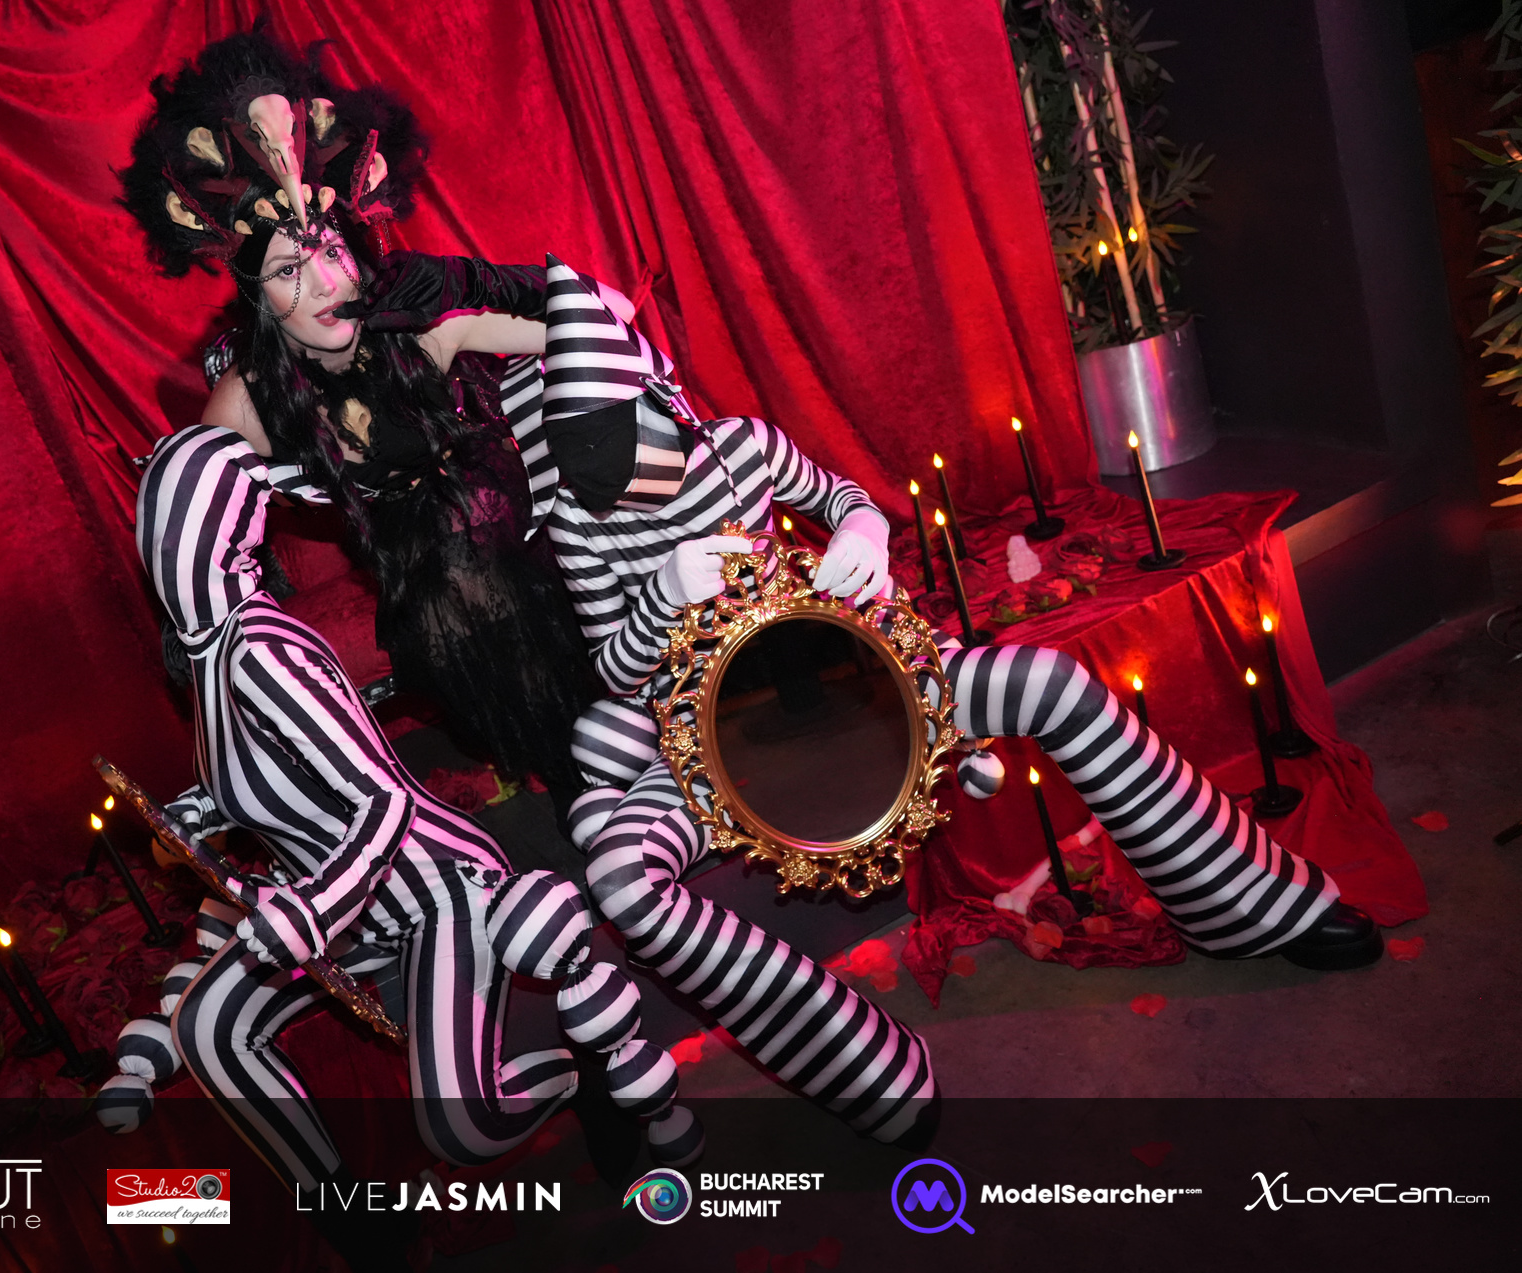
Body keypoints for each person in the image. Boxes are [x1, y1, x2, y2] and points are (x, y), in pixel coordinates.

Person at [509, 258, 1384, 1142]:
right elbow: (615, 670)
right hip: (704, 741)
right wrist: (660, 597)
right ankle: (860, 1063)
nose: (619, 490)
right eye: (593, 473)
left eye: (627, 460)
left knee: (1050, 684)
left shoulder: (743, 447)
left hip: (851, 683)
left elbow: (846, 498)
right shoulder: (580, 523)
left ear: (657, 407)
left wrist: (861, 530)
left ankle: (1243, 904)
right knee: (622, 879)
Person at [94, 424, 699, 1271]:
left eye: (173, 524)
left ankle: (583, 1076)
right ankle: (359, 1225)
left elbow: (381, 801)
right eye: (153, 526)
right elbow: (260, 783)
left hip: (434, 890)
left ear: (217, 534)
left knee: (464, 1128)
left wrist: (312, 908)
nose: (160, 549)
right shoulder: (208, 661)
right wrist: (191, 816)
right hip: (344, 904)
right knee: (209, 1021)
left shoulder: (261, 651)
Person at [116, 24, 618, 814]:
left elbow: (599, 316)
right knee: (455, 592)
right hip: (428, 592)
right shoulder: (249, 397)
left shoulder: (414, 322)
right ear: (258, 296)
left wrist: (473, 281)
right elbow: (193, 524)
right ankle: (573, 777)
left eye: (332, 251)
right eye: (290, 267)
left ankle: (592, 770)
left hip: (524, 527)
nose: (323, 282)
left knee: (502, 589)